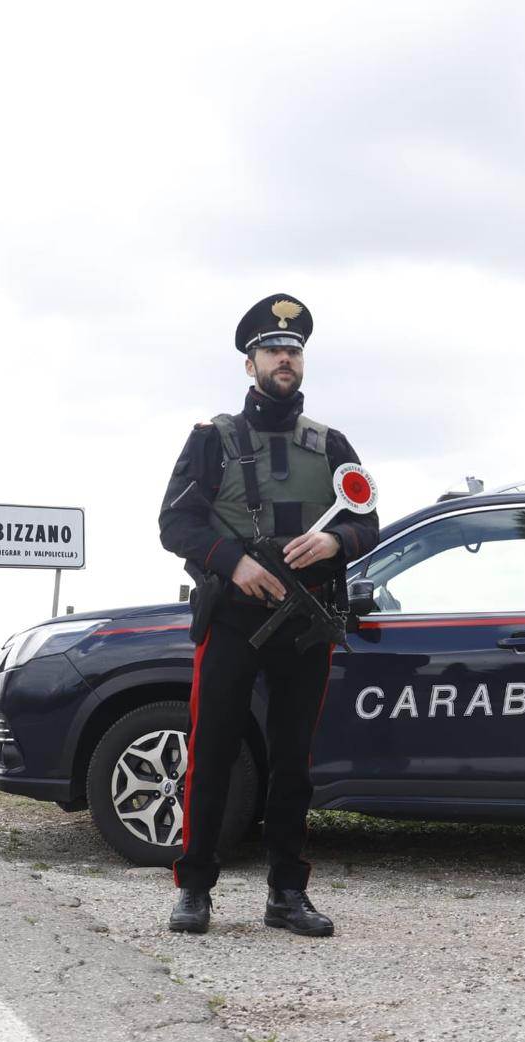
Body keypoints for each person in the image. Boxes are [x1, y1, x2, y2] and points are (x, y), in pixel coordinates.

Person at [157, 293, 380, 937]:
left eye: (293, 351)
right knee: (214, 751)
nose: (285, 359)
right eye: (273, 350)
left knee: (292, 761)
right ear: (250, 363)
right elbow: (176, 521)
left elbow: (367, 520)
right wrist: (233, 562)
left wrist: (338, 542)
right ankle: (194, 887)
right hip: (233, 617)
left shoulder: (332, 443)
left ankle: (287, 892)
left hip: (306, 622)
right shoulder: (213, 440)